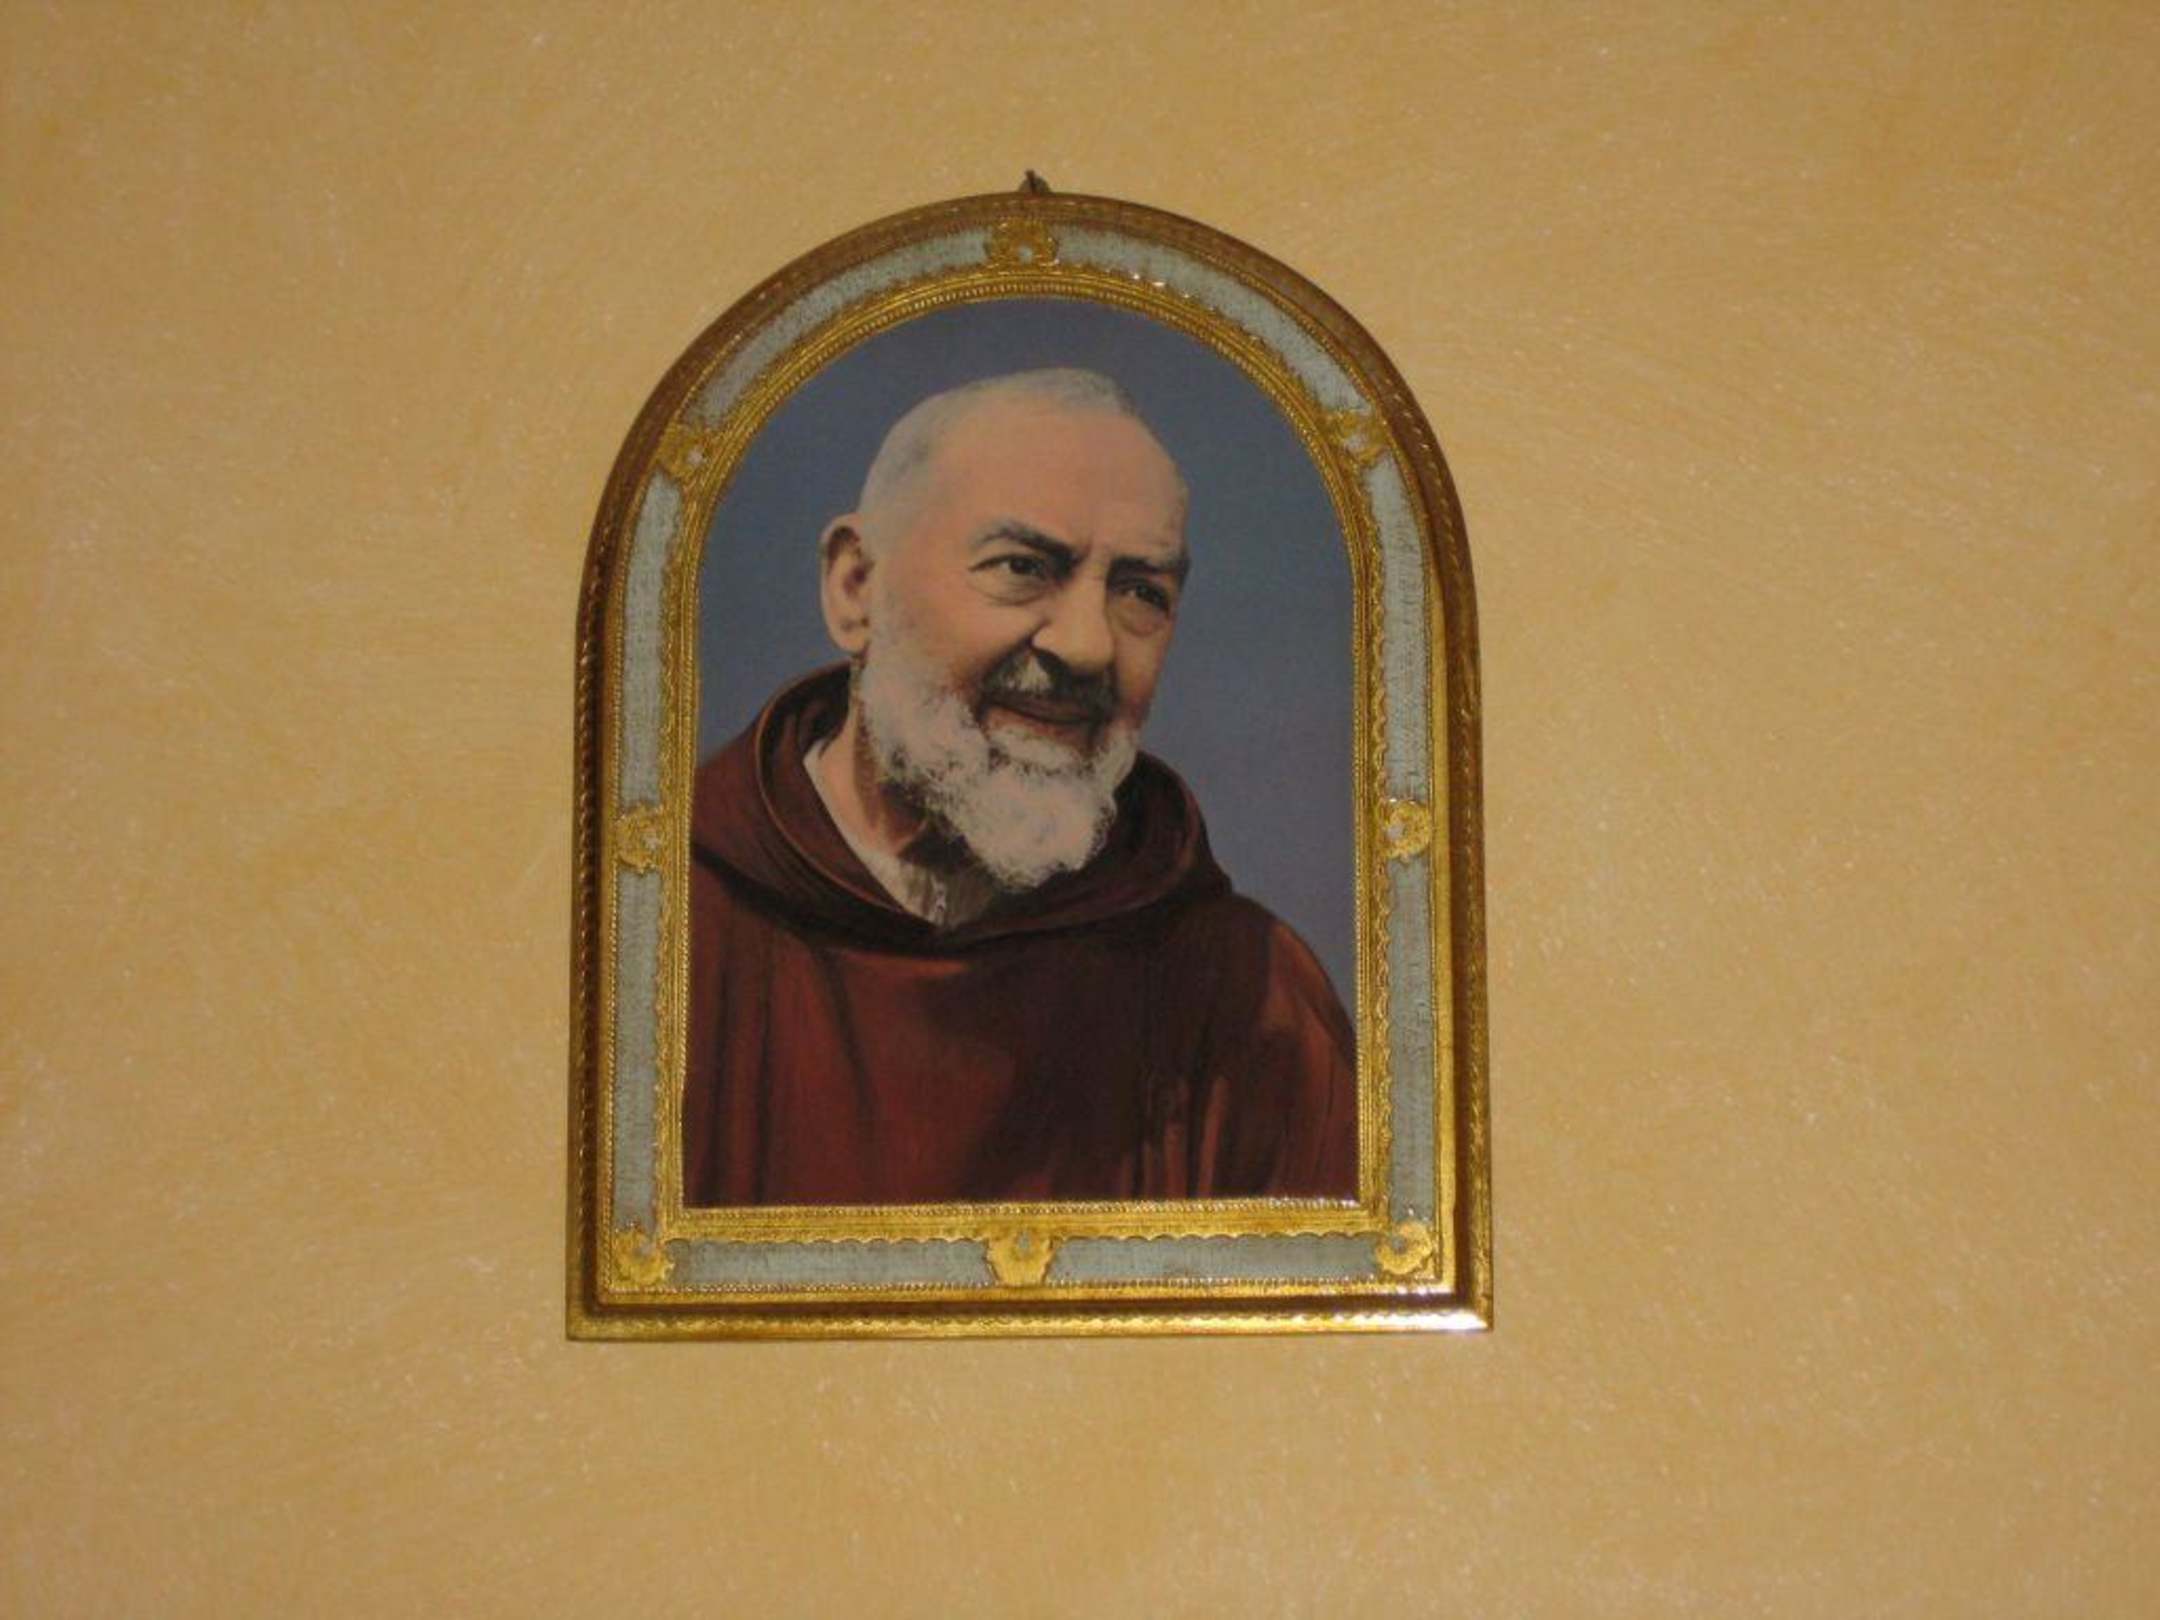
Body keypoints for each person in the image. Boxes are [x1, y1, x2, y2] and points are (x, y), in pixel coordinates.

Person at [684, 368, 1355, 1206]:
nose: (1088, 646)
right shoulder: (661, 936)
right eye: (1022, 567)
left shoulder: (1249, 999)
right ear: (856, 588)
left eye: (1140, 592)